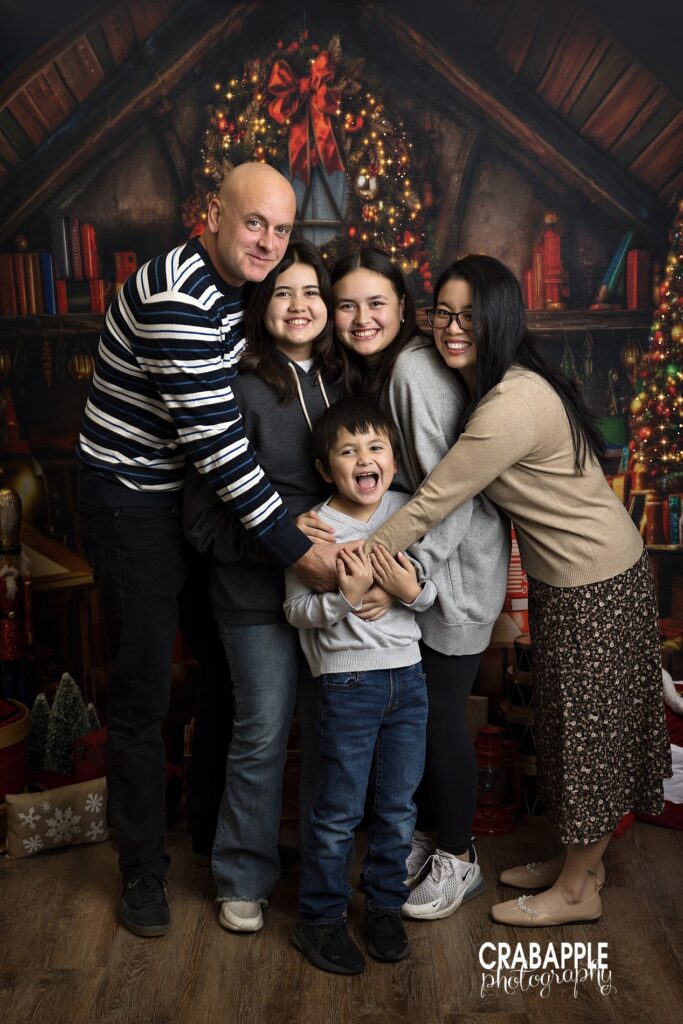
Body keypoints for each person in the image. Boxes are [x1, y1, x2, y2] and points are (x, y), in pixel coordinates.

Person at [367, 253, 672, 927]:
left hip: (592, 581)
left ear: (497, 319)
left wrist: (362, 555)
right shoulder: (505, 377)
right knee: (570, 731)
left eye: (468, 317)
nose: (451, 329)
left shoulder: (507, 404)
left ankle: (573, 893)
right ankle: (579, 864)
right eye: (440, 313)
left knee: (586, 741)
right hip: (583, 575)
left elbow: (436, 499)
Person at [76, 163, 337, 939]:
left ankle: (214, 837)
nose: (268, 242)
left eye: (281, 229)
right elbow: (226, 457)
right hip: (132, 496)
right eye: (253, 222)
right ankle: (142, 872)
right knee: (143, 688)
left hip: (190, 494)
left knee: (225, 671)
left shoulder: (250, 288)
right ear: (212, 214)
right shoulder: (177, 300)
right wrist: (301, 550)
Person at [300, 247, 509, 919]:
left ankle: (459, 856)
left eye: (376, 303)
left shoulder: (414, 374)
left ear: (403, 307)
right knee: (416, 722)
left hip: (454, 573)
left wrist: (410, 573)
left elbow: (458, 490)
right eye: (346, 304)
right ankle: (425, 836)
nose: (360, 319)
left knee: (441, 720)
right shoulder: (383, 370)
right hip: (423, 570)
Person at [183, 238, 341, 933]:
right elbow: (201, 521)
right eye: (282, 293)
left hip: (333, 598)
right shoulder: (238, 389)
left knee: (329, 731)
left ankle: (318, 864)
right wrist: (283, 546)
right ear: (260, 306)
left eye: (310, 292)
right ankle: (241, 876)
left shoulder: (347, 384)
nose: (299, 305)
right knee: (262, 733)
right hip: (251, 599)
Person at [284, 397, 437, 975]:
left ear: (394, 459)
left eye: (376, 448)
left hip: (409, 679)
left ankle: (384, 908)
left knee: (398, 807)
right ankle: (319, 919)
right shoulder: (314, 527)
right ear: (326, 468)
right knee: (339, 809)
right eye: (348, 451)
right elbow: (297, 610)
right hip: (347, 683)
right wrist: (342, 600)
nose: (365, 459)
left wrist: (409, 591)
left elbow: (429, 596)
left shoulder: (408, 512)